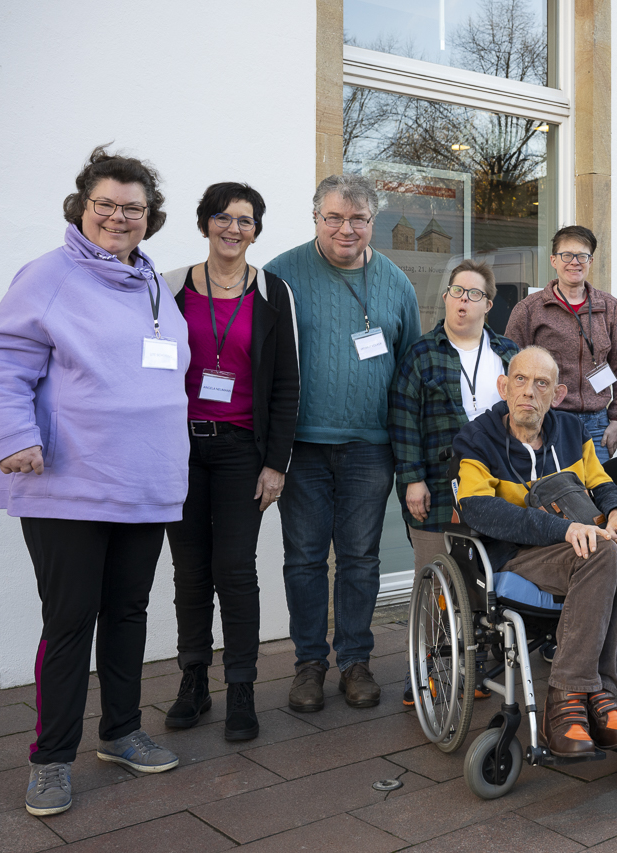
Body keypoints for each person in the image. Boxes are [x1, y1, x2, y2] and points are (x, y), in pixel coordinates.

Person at [0, 146, 188, 816]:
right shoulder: (50, 275)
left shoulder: (154, 282)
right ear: (83, 207)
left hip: (143, 484)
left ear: (148, 217)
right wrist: (14, 437)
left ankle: (121, 731)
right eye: (107, 205)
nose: (119, 217)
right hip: (68, 482)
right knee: (70, 621)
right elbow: (2, 357)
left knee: (128, 613)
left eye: (133, 207)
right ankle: (50, 759)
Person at [262, 174, 420, 714]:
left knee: (359, 558)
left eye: (358, 219)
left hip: (370, 448)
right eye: (333, 217)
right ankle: (309, 663)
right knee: (304, 558)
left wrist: (409, 449)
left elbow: (409, 370)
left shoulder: (396, 282)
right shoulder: (280, 274)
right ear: (315, 218)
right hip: (301, 446)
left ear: (371, 223)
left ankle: (355, 660)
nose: (345, 228)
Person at [452, 346, 617, 757]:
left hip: (577, 549)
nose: (529, 391)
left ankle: (603, 694)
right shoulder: (476, 438)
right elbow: (477, 508)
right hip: (516, 556)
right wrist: (563, 529)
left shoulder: (571, 431)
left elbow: (602, 484)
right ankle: (564, 701)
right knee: (600, 552)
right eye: (521, 380)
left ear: (558, 395)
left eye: (541, 384)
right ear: (503, 386)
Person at [160, 183, 299, 741]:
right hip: (180, 449)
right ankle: (193, 681)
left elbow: (287, 383)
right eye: (222, 217)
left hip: (243, 450)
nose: (233, 228)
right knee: (189, 571)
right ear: (203, 224)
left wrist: (276, 462)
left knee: (236, 571)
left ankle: (241, 686)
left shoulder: (272, 292)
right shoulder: (168, 288)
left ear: (256, 231)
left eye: (245, 220)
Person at [389, 260, 519, 704]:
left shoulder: (508, 353)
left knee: (485, 581)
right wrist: (411, 481)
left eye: (474, 294)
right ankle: (424, 669)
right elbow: (403, 422)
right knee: (434, 582)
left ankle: (478, 664)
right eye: (457, 292)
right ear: (445, 296)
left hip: (497, 488)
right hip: (438, 488)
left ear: (489, 303)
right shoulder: (421, 353)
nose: (464, 301)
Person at [505, 225, 617, 464]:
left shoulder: (610, 307)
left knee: (599, 495)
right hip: (548, 422)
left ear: (591, 260)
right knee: (552, 495)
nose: (574, 262)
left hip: (598, 425)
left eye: (582, 256)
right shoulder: (529, 310)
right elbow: (510, 369)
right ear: (554, 260)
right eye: (567, 255)